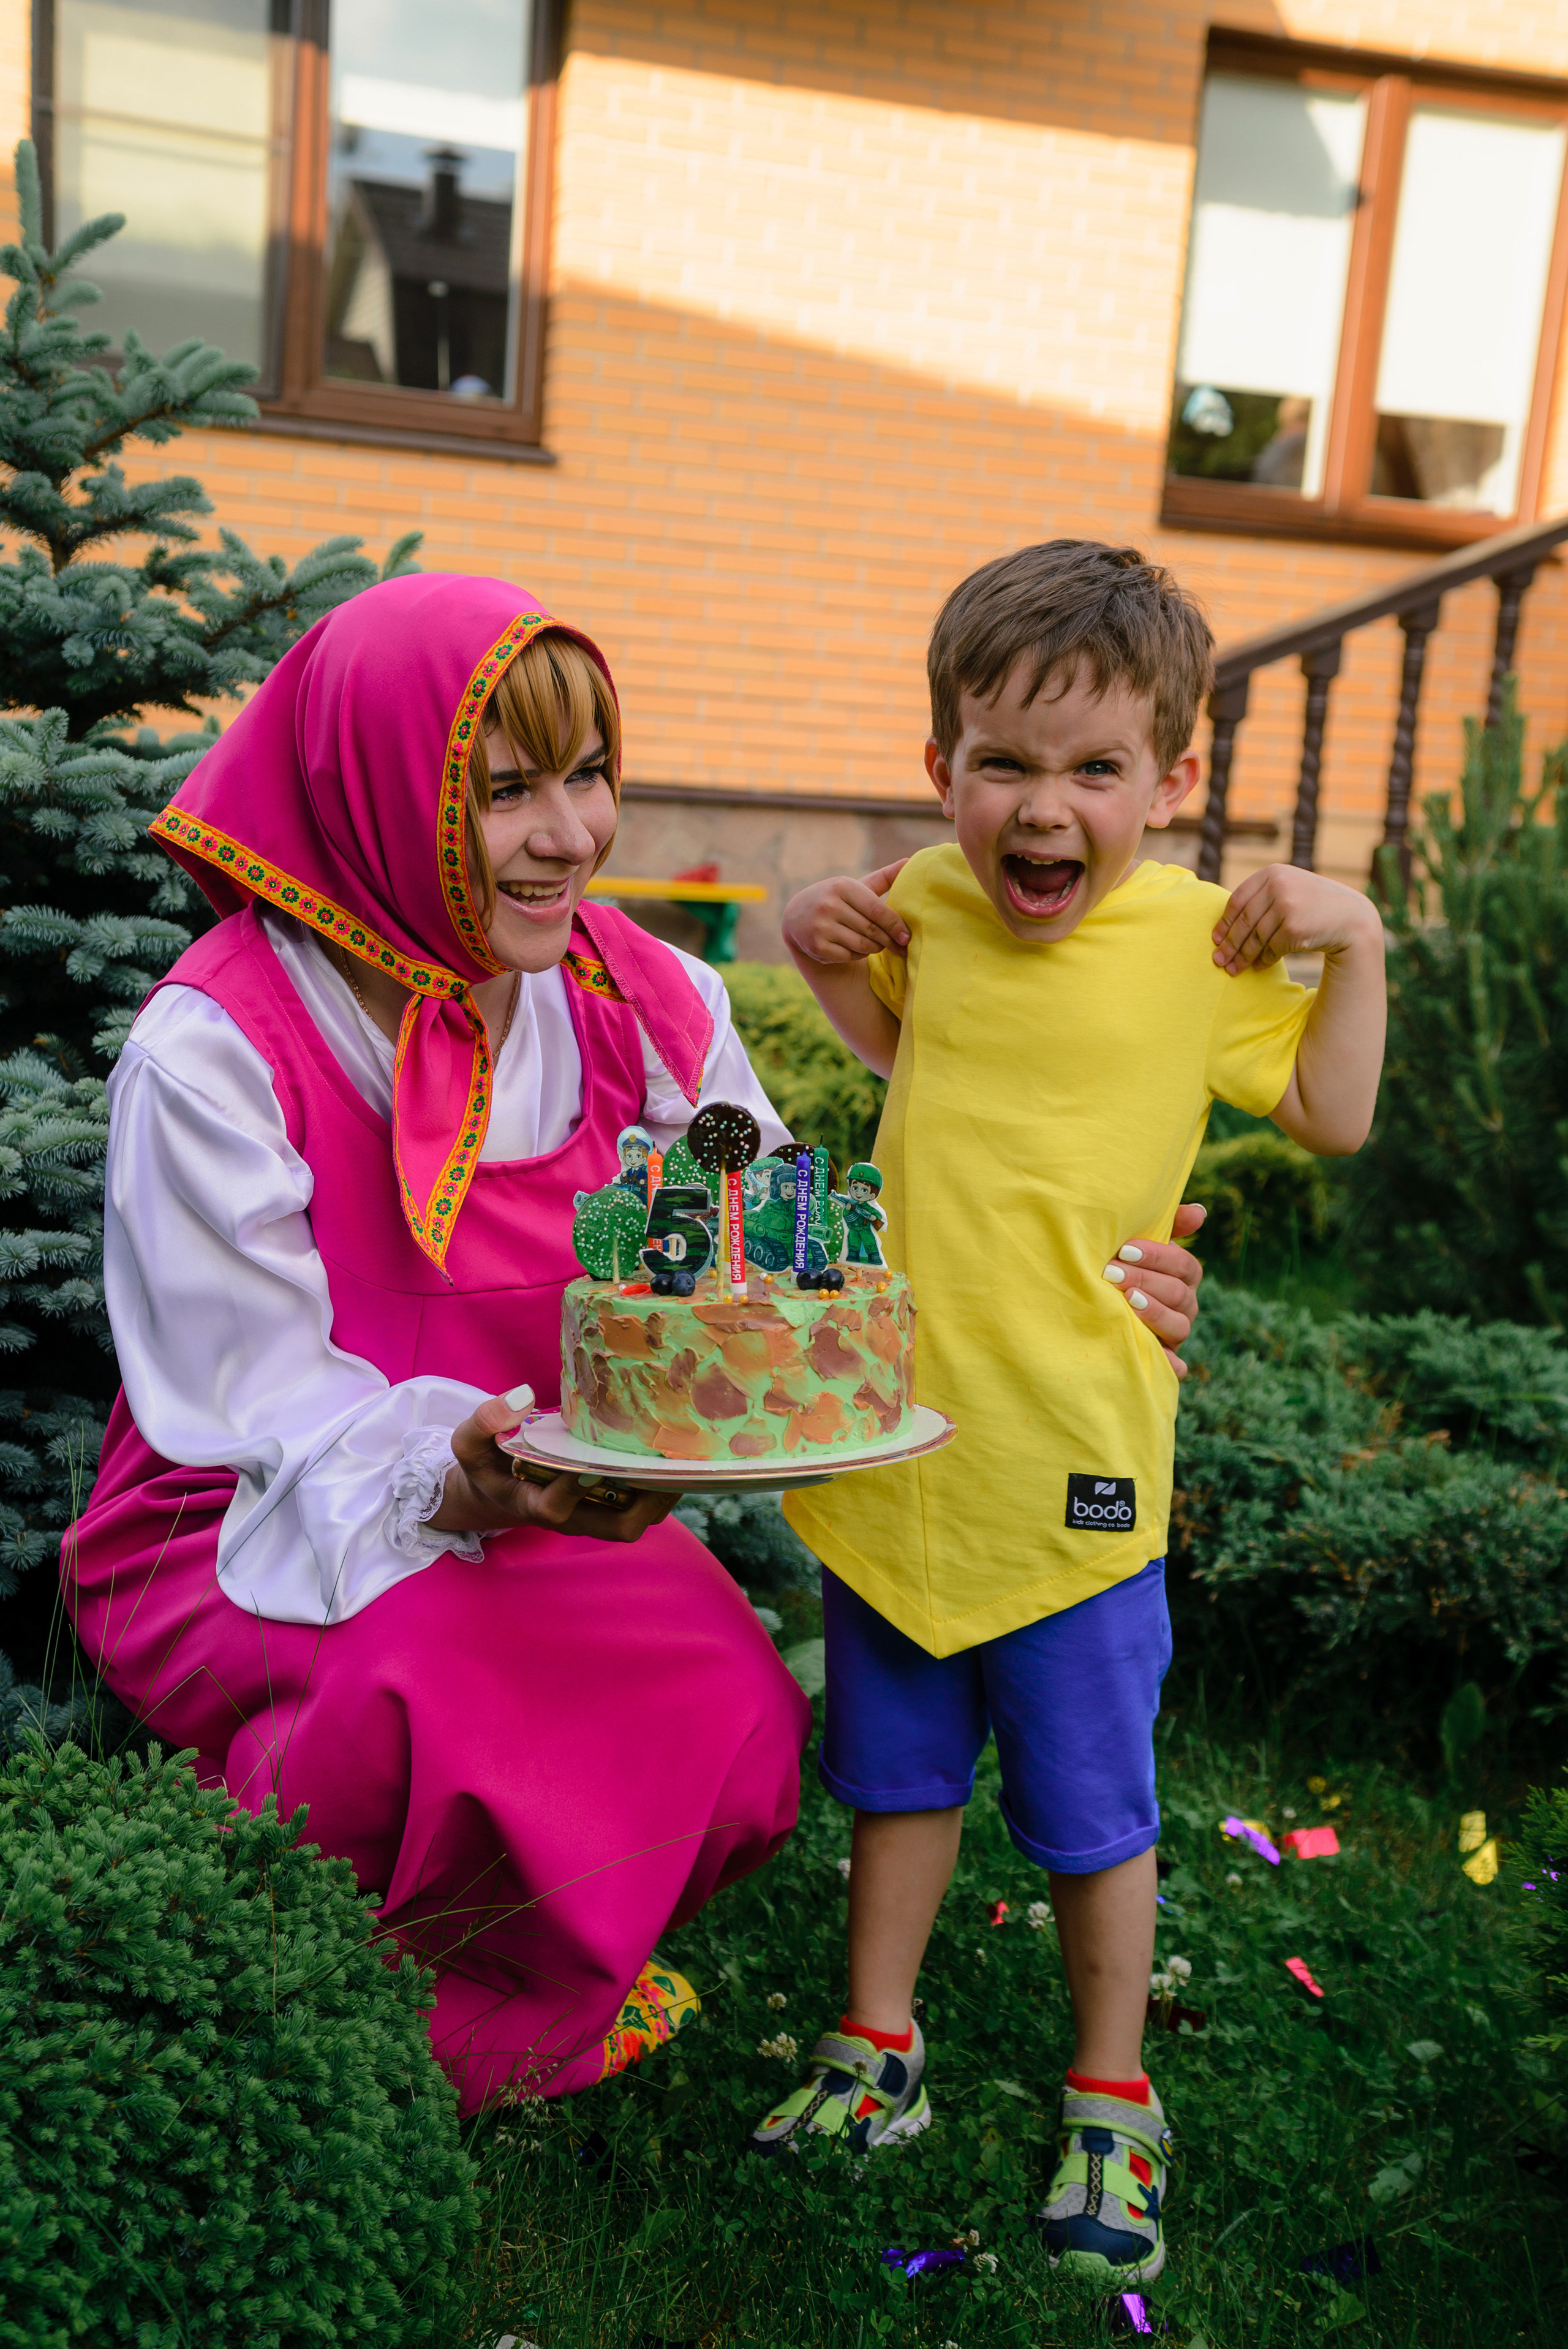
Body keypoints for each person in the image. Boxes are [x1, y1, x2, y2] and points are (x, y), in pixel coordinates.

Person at [62, 573, 813, 2115]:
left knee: (732, 1709)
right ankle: (340, 2025)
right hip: (260, 1504)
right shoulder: (212, 1048)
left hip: (538, 1477)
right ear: (379, 792)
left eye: (591, 775)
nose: (573, 834)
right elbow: (252, 1397)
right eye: (505, 791)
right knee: (425, 1704)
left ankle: (546, 1976)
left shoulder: (644, 998)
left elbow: (766, 1236)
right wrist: (459, 1481)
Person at [756, 540, 1387, 2287]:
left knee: (1095, 1806)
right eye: (1005, 763)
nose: (1046, 808)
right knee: (892, 1773)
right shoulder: (931, 907)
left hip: (1080, 1460)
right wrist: (826, 959)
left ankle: (1113, 2088)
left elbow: (1333, 1117)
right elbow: (919, 1067)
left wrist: (1358, 943)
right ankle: (877, 2041)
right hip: (900, 1448)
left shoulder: (1205, 942)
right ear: (942, 763)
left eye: (1095, 768)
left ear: (1174, 783)